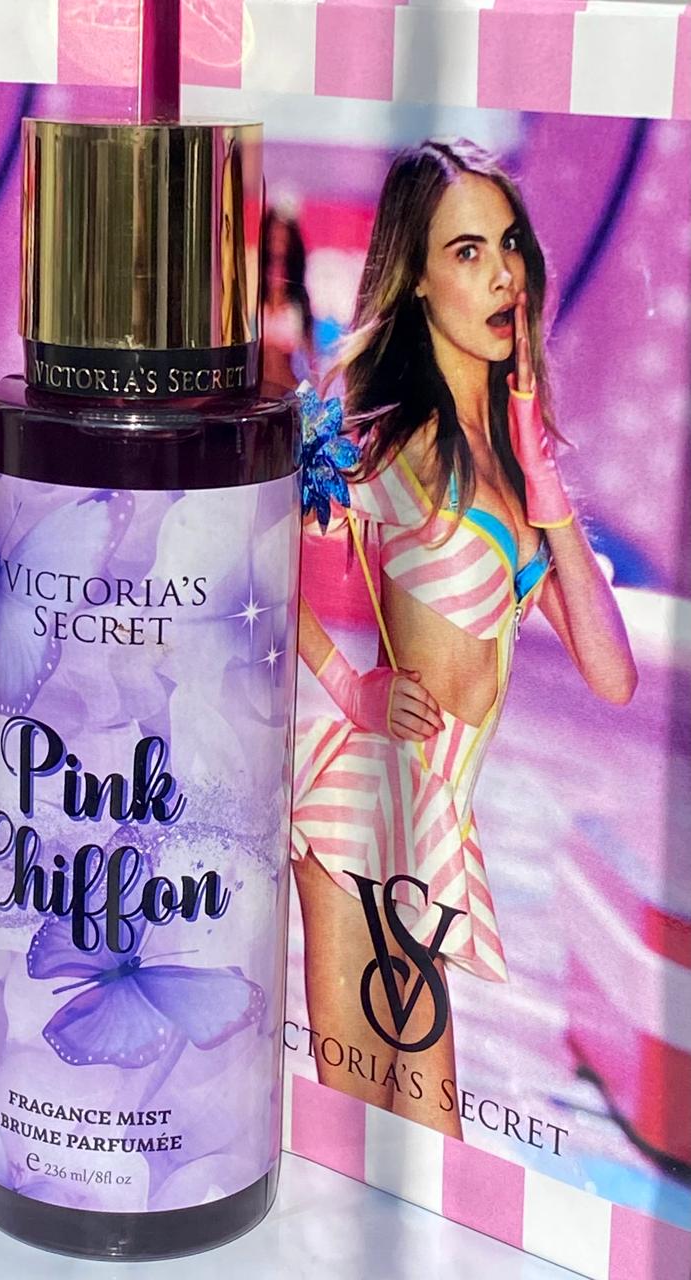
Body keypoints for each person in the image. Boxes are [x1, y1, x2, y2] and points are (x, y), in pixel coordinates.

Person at [291, 139, 637, 1136]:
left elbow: (610, 674)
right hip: (360, 815)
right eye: (467, 251)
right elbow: (241, 554)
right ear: (415, 277)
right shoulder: (385, 433)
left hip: (432, 827)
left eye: (509, 244)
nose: (501, 274)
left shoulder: (515, 469)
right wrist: (346, 684)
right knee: (366, 1137)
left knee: (417, 1144)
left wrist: (544, 478)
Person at [261, 206, 314, 391]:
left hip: (290, 391)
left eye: (283, 237)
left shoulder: (299, 303)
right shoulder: (254, 294)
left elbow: (310, 363)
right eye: (273, 236)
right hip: (259, 393)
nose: (277, 244)